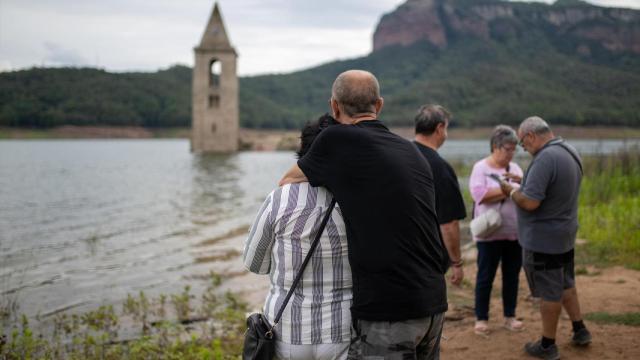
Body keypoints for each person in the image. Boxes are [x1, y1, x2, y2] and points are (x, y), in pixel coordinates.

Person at [279, 70, 448, 359]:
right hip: (433, 301)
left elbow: (288, 181)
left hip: (390, 310)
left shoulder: (336, 138)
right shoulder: (410, 150)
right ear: (379, 105)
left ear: (334, 107)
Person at [243, 114, 352, 360]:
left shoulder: (279, 198)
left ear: (303, 152)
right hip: (341, 328)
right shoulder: (358, 198)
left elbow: (254, 263)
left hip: (286, 331)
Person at [500, 116, 592, 360]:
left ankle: (547, 344)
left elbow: (530, 202)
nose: (524, 148)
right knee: (566, 283)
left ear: (530, 136)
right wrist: (526, 182)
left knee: (549, 292)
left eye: (522, 143)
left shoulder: (545, 158)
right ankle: (580, 329)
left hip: (543, 240)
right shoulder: (567, 150)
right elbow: (553, 187)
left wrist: (511, 192)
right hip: (565, 234)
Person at [468, 125, 524, 336]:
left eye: (513, 149)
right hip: (489, 234)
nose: (510, 153)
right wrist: (510, 191)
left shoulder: (516, 169)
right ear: (495, 147)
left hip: (514, 233)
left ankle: (510, 316)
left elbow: (524, 194)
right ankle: (481, 319)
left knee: (512, 276)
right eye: (507, 149)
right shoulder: (481, 168)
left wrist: (510, 190)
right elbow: (480, 195)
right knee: (485, 277)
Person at [413, 104, 466, 287]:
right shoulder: (440, 168)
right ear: (440, 128)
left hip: (398, 251)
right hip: (428, 257)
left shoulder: (397, 156)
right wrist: (457, 263)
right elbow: (449, 224)